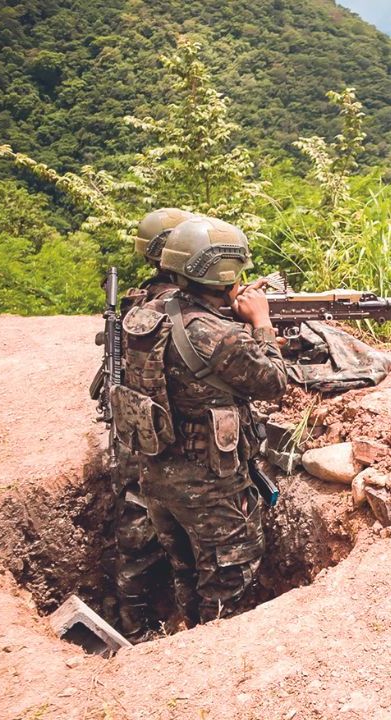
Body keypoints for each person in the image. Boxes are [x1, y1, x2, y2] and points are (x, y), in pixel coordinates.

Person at [117, 215, 287, 627]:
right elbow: (274, 381)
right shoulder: (216, 334)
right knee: (229, 577)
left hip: (157, 472)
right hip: (210, 483)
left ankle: (186, 635)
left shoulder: (146, 313)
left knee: (187, 568)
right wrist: (260, 322)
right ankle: (215, 654)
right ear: (225, 271)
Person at [111, 207, 198, 640]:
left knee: (138, 537)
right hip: (163, 442)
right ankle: (166, 633)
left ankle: (138, 627)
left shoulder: (136, 300)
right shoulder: (178, 307)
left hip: (133, 431)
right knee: (174, 538)